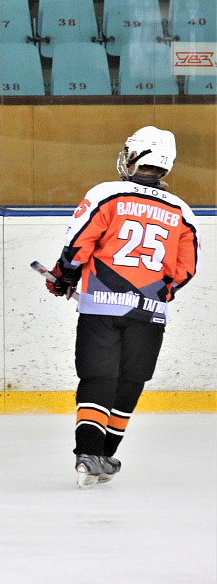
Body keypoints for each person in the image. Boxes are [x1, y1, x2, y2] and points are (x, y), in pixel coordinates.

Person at [44, 126, 200, 489]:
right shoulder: (182, 211)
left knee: (98, 377)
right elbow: (185, 269)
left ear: (134, 156)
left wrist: (64, 277)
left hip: (101, 309)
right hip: (150, 314)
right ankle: (107, 453)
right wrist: (155, 295)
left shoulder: (106, 194)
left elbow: (78, 244)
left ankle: (88, 453)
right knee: (131, 381)